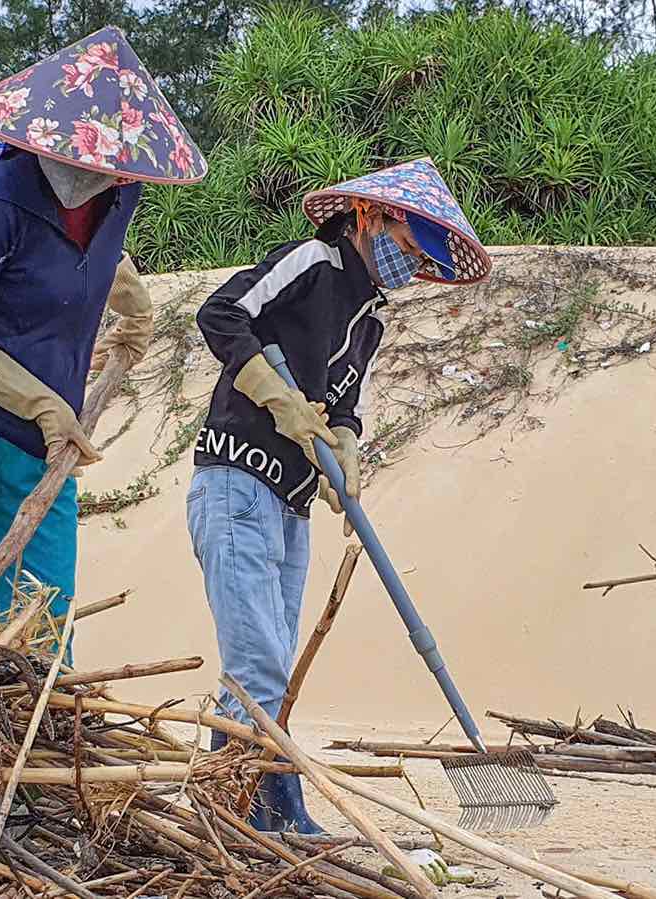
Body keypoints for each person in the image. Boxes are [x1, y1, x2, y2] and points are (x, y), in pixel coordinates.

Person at [187, 158, 491, 832]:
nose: (409, 266)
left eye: (420, 261)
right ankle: (266, 809)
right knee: (259, 665)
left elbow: (345, 402)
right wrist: (274, 394)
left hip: (290, 500)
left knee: (268, 664)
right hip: (237, 479)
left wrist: (345, 444)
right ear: (372, 217)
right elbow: (221, 314)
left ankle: (232, 802)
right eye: (409, 247)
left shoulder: (372, 318)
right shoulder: (313, 262)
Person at [0, 27, 207, 636]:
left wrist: (133, 303)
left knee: (43, 615)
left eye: (112, 163)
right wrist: (43, 404)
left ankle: (34, 727)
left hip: (38, 440)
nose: (99, 171)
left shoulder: (121, 193)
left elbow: (93, 252)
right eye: (89, 157)